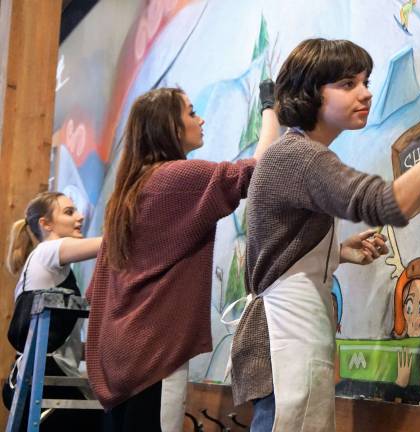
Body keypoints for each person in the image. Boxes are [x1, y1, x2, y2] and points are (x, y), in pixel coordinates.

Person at [230, 38, 420, 431]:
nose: (366, 92)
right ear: (311, 93)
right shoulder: (299, 157)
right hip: (283, 337)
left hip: (289, 334)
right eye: (347, 84)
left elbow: (274, 249)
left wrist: (336, 252)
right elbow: (391, 204)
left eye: (365, 81)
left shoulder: (293, 153)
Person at [85, 84, 279, 432]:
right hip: (153, 358)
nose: (201, 119)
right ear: (170, 128)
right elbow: (260, 171)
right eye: (191, 112)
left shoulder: (130, 189)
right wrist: (269, 107)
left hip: (123, 354)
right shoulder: (174, 177)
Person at [3, 192, 102, 431]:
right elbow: (108, 244)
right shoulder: (48, 251)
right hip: (42, 381)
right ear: (45, 224)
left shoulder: (50, 265)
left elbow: (60, 344)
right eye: (69, 212)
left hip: (34, 378)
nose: (80, 217)